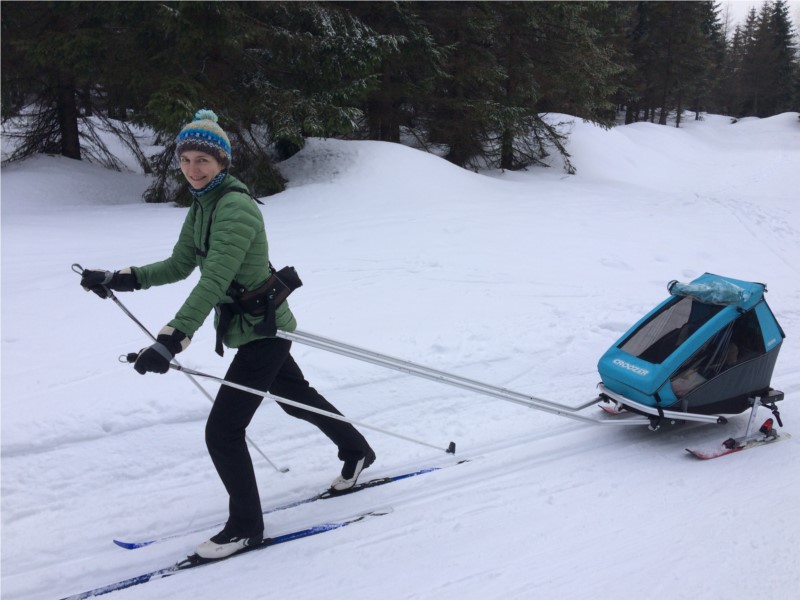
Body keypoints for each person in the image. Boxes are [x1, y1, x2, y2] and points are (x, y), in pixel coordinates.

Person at [80, 109, 375, 560]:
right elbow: (180, 264)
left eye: (203, 160)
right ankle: (357, 450)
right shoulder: (203, 205)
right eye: (186, 160)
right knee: (296, 398)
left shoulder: (234, 207)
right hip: (250, 327)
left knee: (223, 431)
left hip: (263, 330)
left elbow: (213, 280)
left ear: (222, 163)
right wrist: (121, 278)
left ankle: (245, 527)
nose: (193, 169)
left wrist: (173, 336)